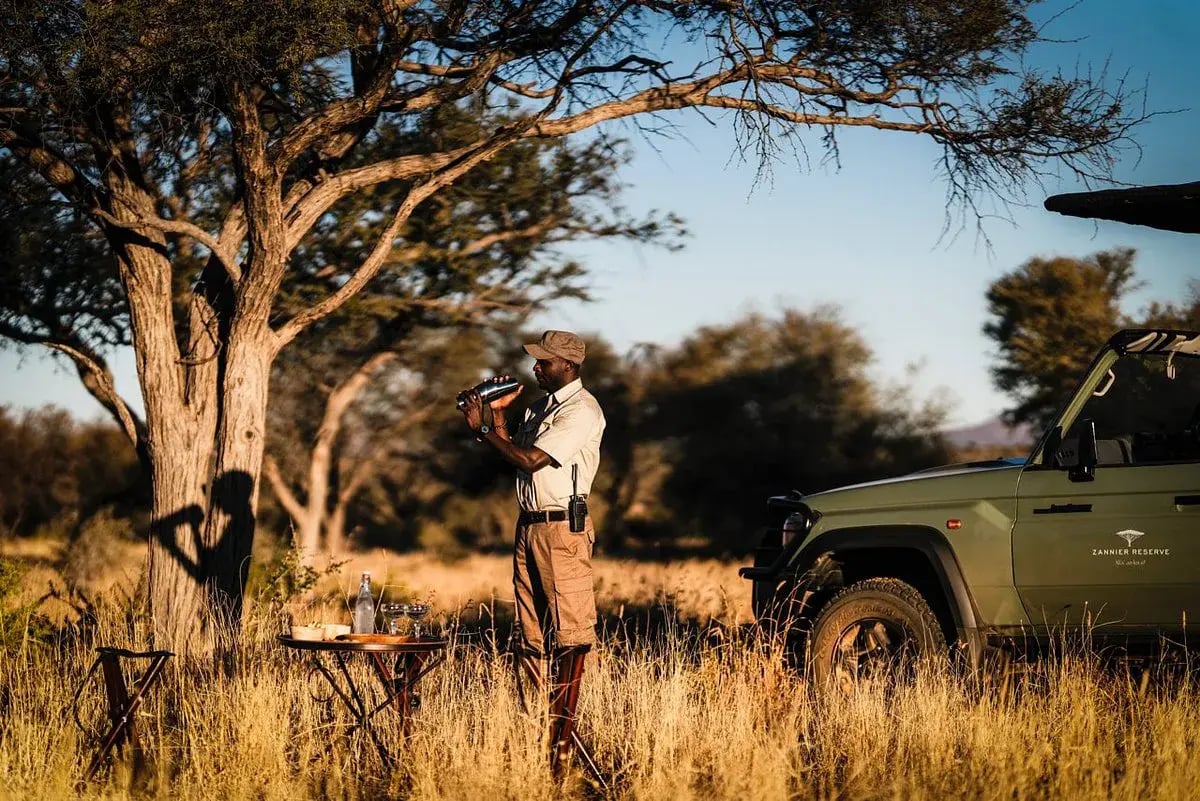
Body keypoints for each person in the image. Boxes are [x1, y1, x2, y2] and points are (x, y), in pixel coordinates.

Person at [458, 330, 606, 702]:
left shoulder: (581, 410)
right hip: (529, 525)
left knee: (570, 631)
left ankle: (564, 723)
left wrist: (485, 428)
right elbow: (513, 453)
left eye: (544, 361)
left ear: (568, 366)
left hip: (560, 528)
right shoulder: (541, 408)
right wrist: (498, 413)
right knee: (532, 629)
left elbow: (531, 460)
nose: (535, 367)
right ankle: (536, 716)